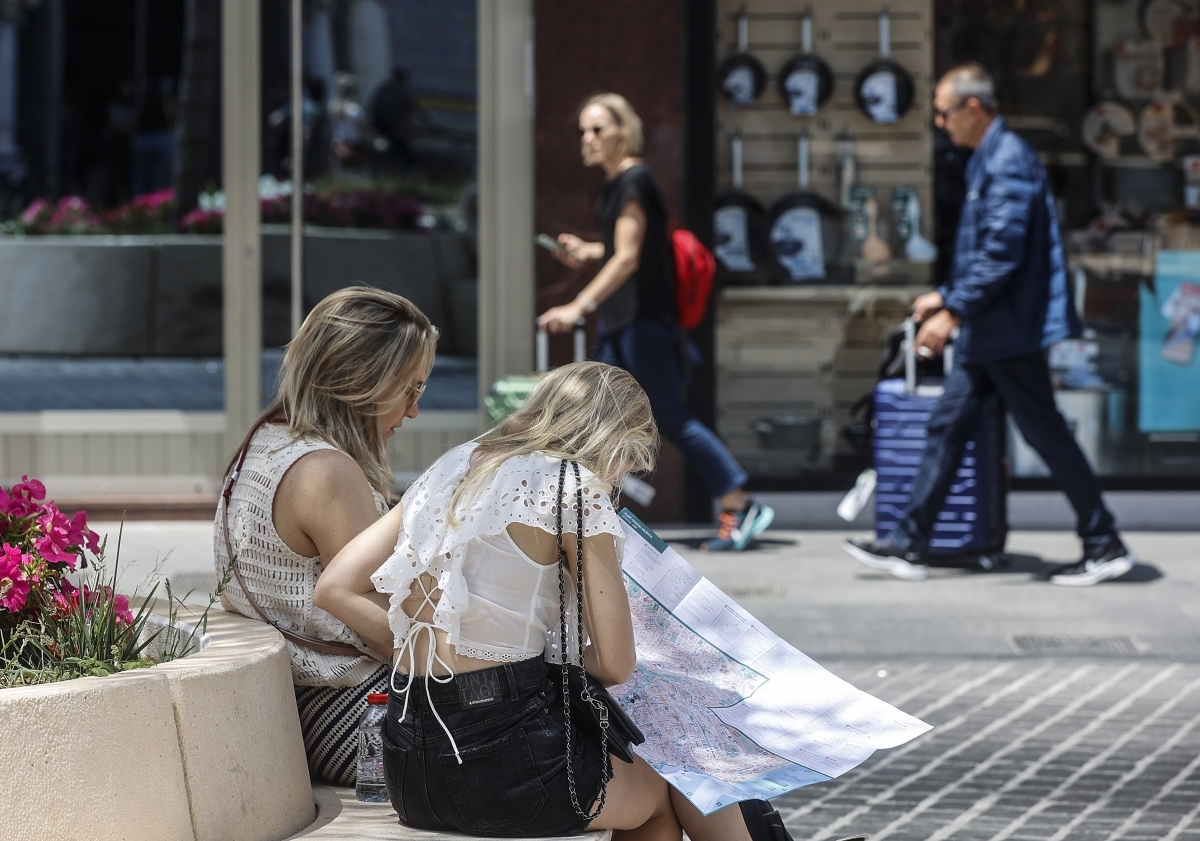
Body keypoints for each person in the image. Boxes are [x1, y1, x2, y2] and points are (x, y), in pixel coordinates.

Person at [315, 362, 862, 841]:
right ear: (616, 441)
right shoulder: (573, 487)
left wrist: (437, 651)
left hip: (412, 762)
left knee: (657, 781)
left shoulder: (453, 465)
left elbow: (336, 587)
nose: (622, 476)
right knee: (680, 781)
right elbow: (616, 663)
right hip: (510, 766)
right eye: (629, 461)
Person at [844, 63, 1133, 586]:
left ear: (972, 109)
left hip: (1009, 330)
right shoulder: (991, 158)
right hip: (994, 329)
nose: (939, 122)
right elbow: (990, 250)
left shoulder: (1007, 161)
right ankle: (909, 544)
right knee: (947, 428)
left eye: (944, 112)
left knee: (1042, 434)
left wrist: (953, 309)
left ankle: (1104, 542)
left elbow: (1002, 252)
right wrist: (947, 296)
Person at [213, 287, 439, 786]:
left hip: (300, 705)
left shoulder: (265, 442)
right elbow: (390, 629)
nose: (413, 412)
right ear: (364, 383)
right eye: (411, 390)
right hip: (353, 711)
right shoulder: (327, 473)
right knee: (612, 762)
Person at [537, 92, 773, 552]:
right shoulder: (615, 184)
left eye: (598, 129)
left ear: (623, 131)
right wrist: (587, 252)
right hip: (625, 322)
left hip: (644, 324)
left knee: (669, 417)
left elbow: (628, 259)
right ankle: (585, 511)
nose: (589, 138)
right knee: (597, 413)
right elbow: (629, 252)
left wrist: (577, 306)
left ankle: (739, 502)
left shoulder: (634, 181)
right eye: (583, 130)